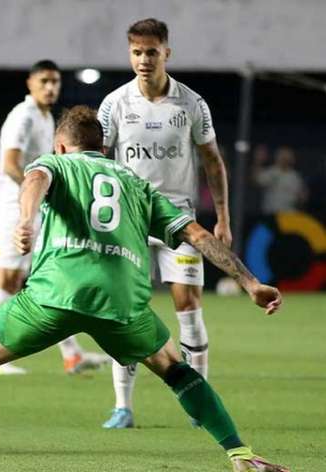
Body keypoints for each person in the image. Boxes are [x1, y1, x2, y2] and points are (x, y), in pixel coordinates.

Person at [0, 106, 288, 472]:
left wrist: (27, 220)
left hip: (54, 297)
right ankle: (241, 453)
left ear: (60, 144)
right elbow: (197, 234)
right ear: (102, 148)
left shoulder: (57, 163)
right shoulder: (139, 186)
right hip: (123, 305)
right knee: (177, 371)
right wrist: (249, 282)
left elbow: (34, 178)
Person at [97, 18, 232, 428]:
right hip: (129, 220)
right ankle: (123, 407)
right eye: (136, 52)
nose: (143, 60)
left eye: (151, 52)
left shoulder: (191, 104)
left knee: (187, 308)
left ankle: (200, 406)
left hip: (178, 219)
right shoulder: (114, 103)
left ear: (166, 53)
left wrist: (222, 218)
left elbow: (212, 161)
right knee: (124, 311)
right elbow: (96, 163)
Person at [0, 59, 109, 375]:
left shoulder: (45, 118)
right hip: (15, 209)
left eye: (55, 81)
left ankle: (72, 355)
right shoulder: (23, 116)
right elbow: (10, 164)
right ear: (30, 83)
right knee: (8, 279)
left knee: (49, 277)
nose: (51, 87)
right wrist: (36, 194)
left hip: (33, 209)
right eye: (44, 81)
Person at [252, 145, 308, 214]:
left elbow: (301, 198)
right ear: (277, 157)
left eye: (288, 156)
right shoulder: (272, 171)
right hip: (272, 213)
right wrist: (258, 161)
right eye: (282, 155)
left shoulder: (295, 176)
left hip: (290, 213)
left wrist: (302, 197)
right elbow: (257, 181)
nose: (285, 158)